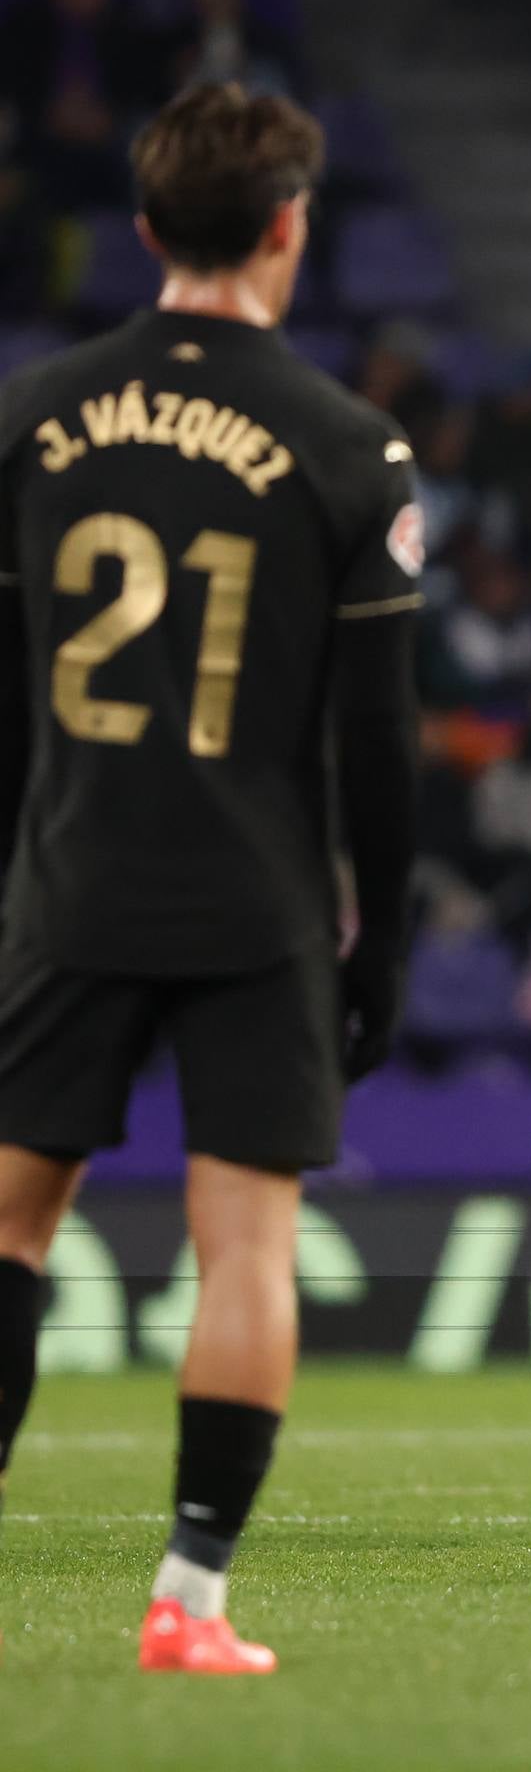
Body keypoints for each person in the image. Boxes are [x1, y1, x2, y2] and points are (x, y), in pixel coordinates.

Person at [0, 84, 421, 1673]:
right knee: (241, 1244)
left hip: (69, 878)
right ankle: (190, 1600)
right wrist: (372, 945)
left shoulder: (31, 415)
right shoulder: (345, 445)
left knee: (9, 1222)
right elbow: (378, 743)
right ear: (291, 227)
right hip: (256, 904)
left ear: (144, 229)